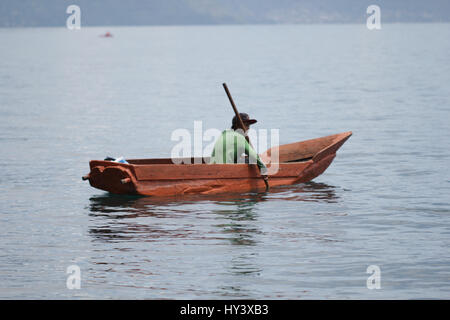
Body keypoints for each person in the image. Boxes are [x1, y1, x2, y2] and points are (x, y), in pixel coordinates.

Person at [210, 113, 268, 182]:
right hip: (224, 170)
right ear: (237, 125)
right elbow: (254, 156)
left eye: (249, 125)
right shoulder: (240, 138)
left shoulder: (224, 134)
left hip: (212, 168)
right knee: (254, 160)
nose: (249, 127)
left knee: (246, 159)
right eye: (246, 125)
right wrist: (263, 169)